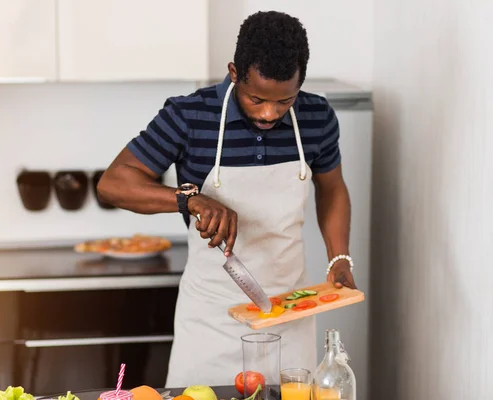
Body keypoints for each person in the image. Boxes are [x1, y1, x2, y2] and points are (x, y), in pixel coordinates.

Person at [97, 10, 357, 387]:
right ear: (234, 73)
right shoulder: (189, 115)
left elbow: (332, 187)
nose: (270, 114)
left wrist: (340, 256)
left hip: (289, 311)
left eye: (285, 100)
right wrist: (190, 199)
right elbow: (114, 183)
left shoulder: (317, 117)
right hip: (212, 320)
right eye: (256, 99)